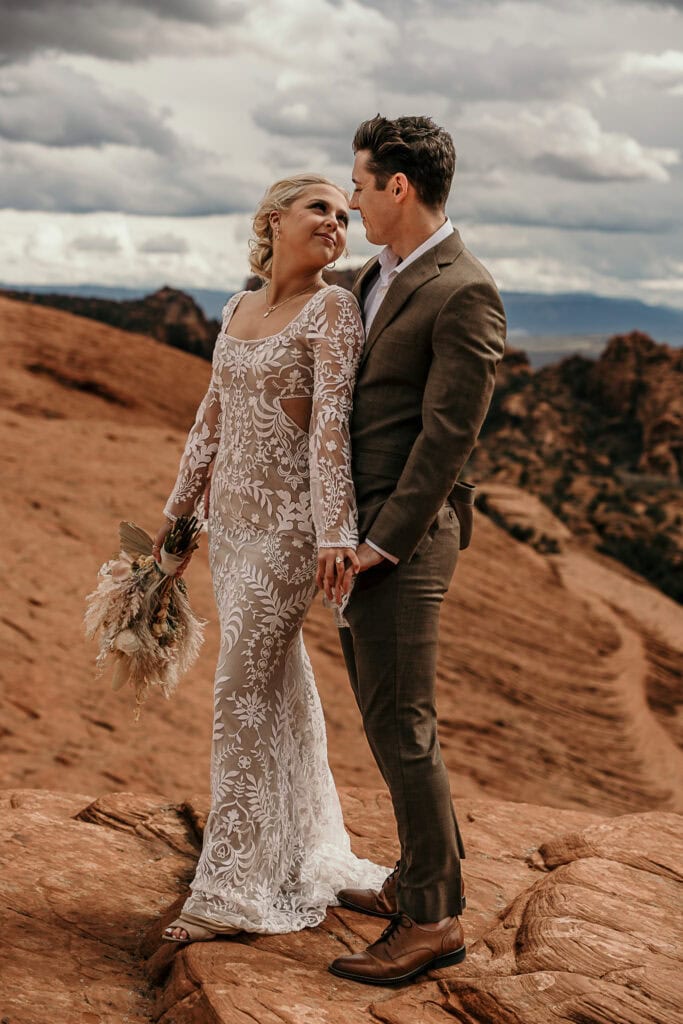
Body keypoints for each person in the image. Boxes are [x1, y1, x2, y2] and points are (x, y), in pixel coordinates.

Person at [155, 173, 387, 944]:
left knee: (241, 687)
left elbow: (330, 430)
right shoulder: (237, 308)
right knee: (274, 681)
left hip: (289, 534)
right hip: (234, 530)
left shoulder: (334, 308)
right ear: (273, 220)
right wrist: (178, 517)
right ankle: (293, 844)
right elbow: (209, 420)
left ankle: (229, 889)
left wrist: (333, 535)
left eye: (343, 214)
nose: (335, 221)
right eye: (318, 207)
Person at [328, 116, 507, 986]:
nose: (353, 197)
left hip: (400, 545)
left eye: (359, 184)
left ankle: (433, 920)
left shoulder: (463, 288)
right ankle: (414, 875)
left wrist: (378, 545)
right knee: (383, 716)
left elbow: (446, 441)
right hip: (354, 542)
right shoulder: (375, 273)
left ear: (397, 186)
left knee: (403, 725)